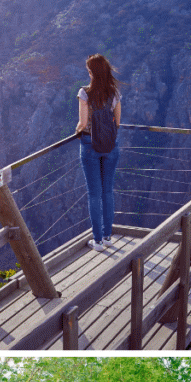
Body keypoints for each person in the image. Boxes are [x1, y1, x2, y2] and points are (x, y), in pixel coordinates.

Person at [75, 53, 122, 252]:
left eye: (89, 71)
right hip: (110, 146)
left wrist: (77, 130)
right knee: (107, 192)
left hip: (89, 145)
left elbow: (83, 123)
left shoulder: (84, 93)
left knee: (94, 194)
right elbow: (118, 122)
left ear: (92, 73)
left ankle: (98, 241)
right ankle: (108, 236)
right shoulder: (114, 93)